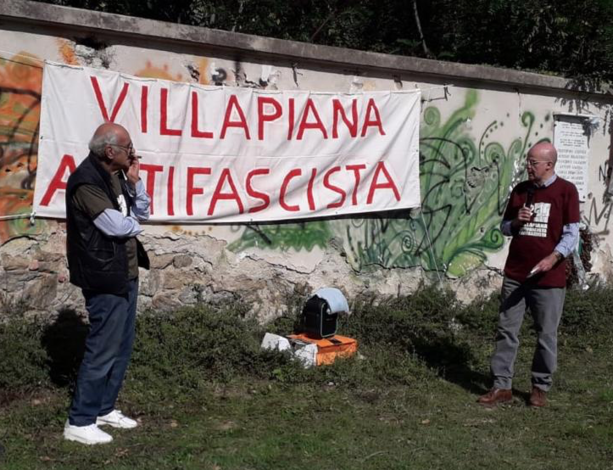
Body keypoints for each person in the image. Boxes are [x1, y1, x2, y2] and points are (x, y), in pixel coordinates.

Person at [63, 122, 150, 444]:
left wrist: (135, 182)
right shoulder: (86, 182)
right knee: (102, 348)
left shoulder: (117, 177)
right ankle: (79, 421)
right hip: (103, 275)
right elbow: (116, 227)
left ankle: (103, 408)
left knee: (122, 346)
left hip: (125, 273)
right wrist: (135, 223)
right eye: (128, 147)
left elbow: (142, 211)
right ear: (110, 151)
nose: (133, 151)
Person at [478, 142, 580, 408]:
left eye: (533, 162)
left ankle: (539, 387)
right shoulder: (521, 191)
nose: (528, 166)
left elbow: (572, 235)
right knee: (506, 329)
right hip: (516, 273)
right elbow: (504, 227)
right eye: (528, 161)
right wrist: (516, 222)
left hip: (548, 278)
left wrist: (553, 258)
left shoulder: (566, 191)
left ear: (549, 164)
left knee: (546, 333)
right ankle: (502, 386)